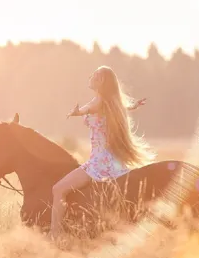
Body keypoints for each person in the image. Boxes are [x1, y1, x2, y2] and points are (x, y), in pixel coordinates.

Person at [49, 65, 156, 239]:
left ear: (101, 82)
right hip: (111, 160)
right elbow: (116, 106)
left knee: (58, 189)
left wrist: (78, 112)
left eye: (96, 75)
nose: (91, 76)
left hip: (99, 163)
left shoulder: (98, 101)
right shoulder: (110, 102)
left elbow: (88, 109)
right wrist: (133, 106)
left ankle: (55, 234)